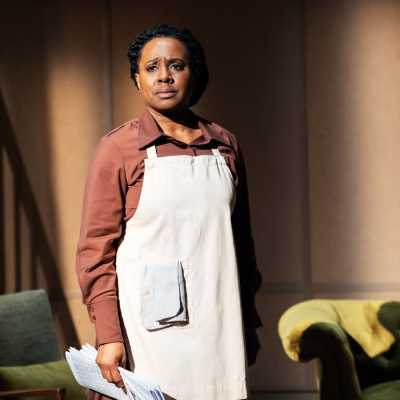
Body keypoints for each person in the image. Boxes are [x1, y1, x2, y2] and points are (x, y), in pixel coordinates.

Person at [75, 23, 262, 400]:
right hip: (148, 331)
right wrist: (110, 336)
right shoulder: (120, 149)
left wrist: (248, 324)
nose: (164, 76)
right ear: (137, 79)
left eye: (176, 65)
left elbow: (242, 245)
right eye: (151, 67)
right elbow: (95, 253)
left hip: (219, 321)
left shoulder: (224, 146)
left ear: (194, 73)